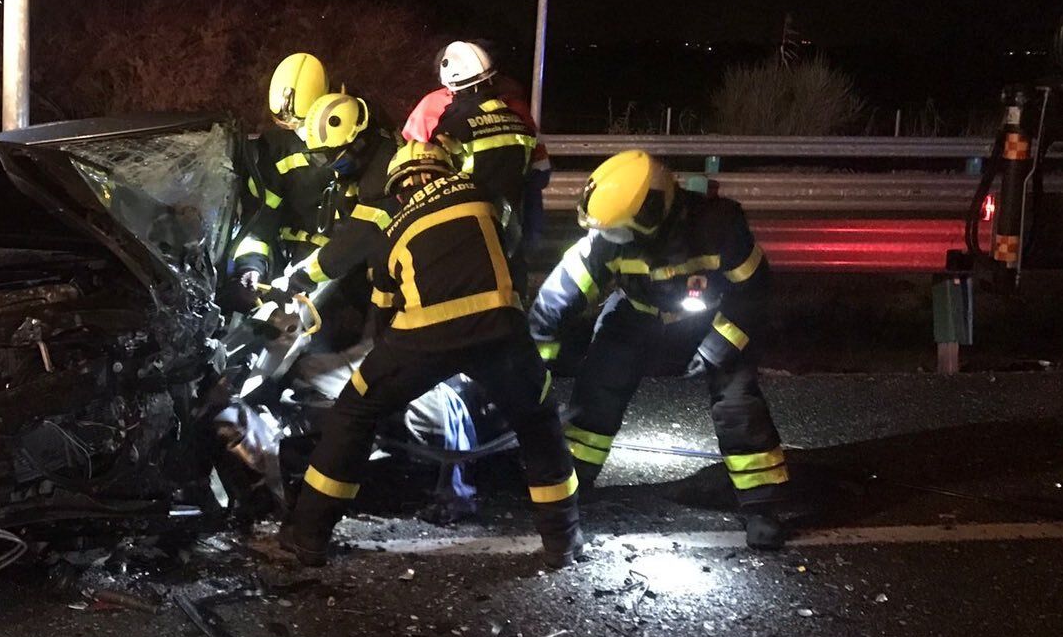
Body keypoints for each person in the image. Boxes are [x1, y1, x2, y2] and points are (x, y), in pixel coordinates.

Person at [276, 140, 581, 568]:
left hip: (423, 338)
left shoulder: (393, 227)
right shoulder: (485, 197)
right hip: (500, 332)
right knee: (538, 420)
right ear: (446, 169)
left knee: (354, 413)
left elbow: (382, 318)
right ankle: (563, 542)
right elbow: (514, 254)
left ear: (399, 187)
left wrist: (396, 370)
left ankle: (307, 536)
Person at [528, 149, 791, 548]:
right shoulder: (611, 237)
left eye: (621, 230)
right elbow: (559, 297)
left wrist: (717, 348)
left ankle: (762, 506)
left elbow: (753, 291)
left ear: (653, 210)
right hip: (638, 313)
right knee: (598, 386)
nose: (613, 238)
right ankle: (574, 480)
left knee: (738, 404)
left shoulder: (719, 226)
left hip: (709, 318)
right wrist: (534, 365)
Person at [403, 40, 551, 276]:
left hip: (468, 232)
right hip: (510, 228)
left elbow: (419, 173)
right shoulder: (516, 117)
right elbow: (537, 172)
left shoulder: (451, 126)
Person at [224, 53, 333, 312]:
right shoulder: (277, 148)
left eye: (303, 121)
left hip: (344, 268)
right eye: (288, 123)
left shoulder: (355, 145)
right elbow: (260, 218)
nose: (297, 130)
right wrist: (250, 267)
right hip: (293, 263)